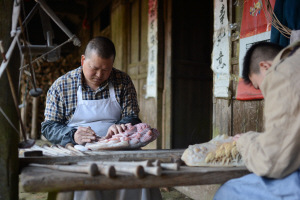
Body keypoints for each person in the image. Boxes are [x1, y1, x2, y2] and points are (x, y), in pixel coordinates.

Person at [42, 36, 162, 200]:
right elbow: (48, 127)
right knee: (85, 178)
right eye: (95, 68)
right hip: (78, 150)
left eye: (106, 70)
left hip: (119, 148)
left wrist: (122, 125)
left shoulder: (123, 80)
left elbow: (132, 116)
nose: (99, 74)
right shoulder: (61, 86)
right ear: (83, 60)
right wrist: (72, 135)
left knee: (138, 173)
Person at [214, 40, 300, 200]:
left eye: (260, 86)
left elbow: (273, 162)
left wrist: (245, 141)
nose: (265, 95)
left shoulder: (283, 72)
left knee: (228, 192)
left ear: (265, 67)